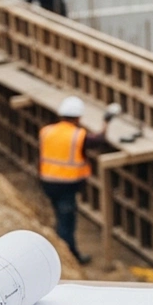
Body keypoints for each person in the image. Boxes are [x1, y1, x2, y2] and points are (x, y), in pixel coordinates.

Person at [38, 96, 113, 265]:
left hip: (47, 182)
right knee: (67, 223)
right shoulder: (77, 135)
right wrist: (106, 123)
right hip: (66, 185)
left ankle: (63, 247)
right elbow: (99, 141)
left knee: (59, 215)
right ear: (78, 117)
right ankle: (68, 258)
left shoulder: (46, 131)